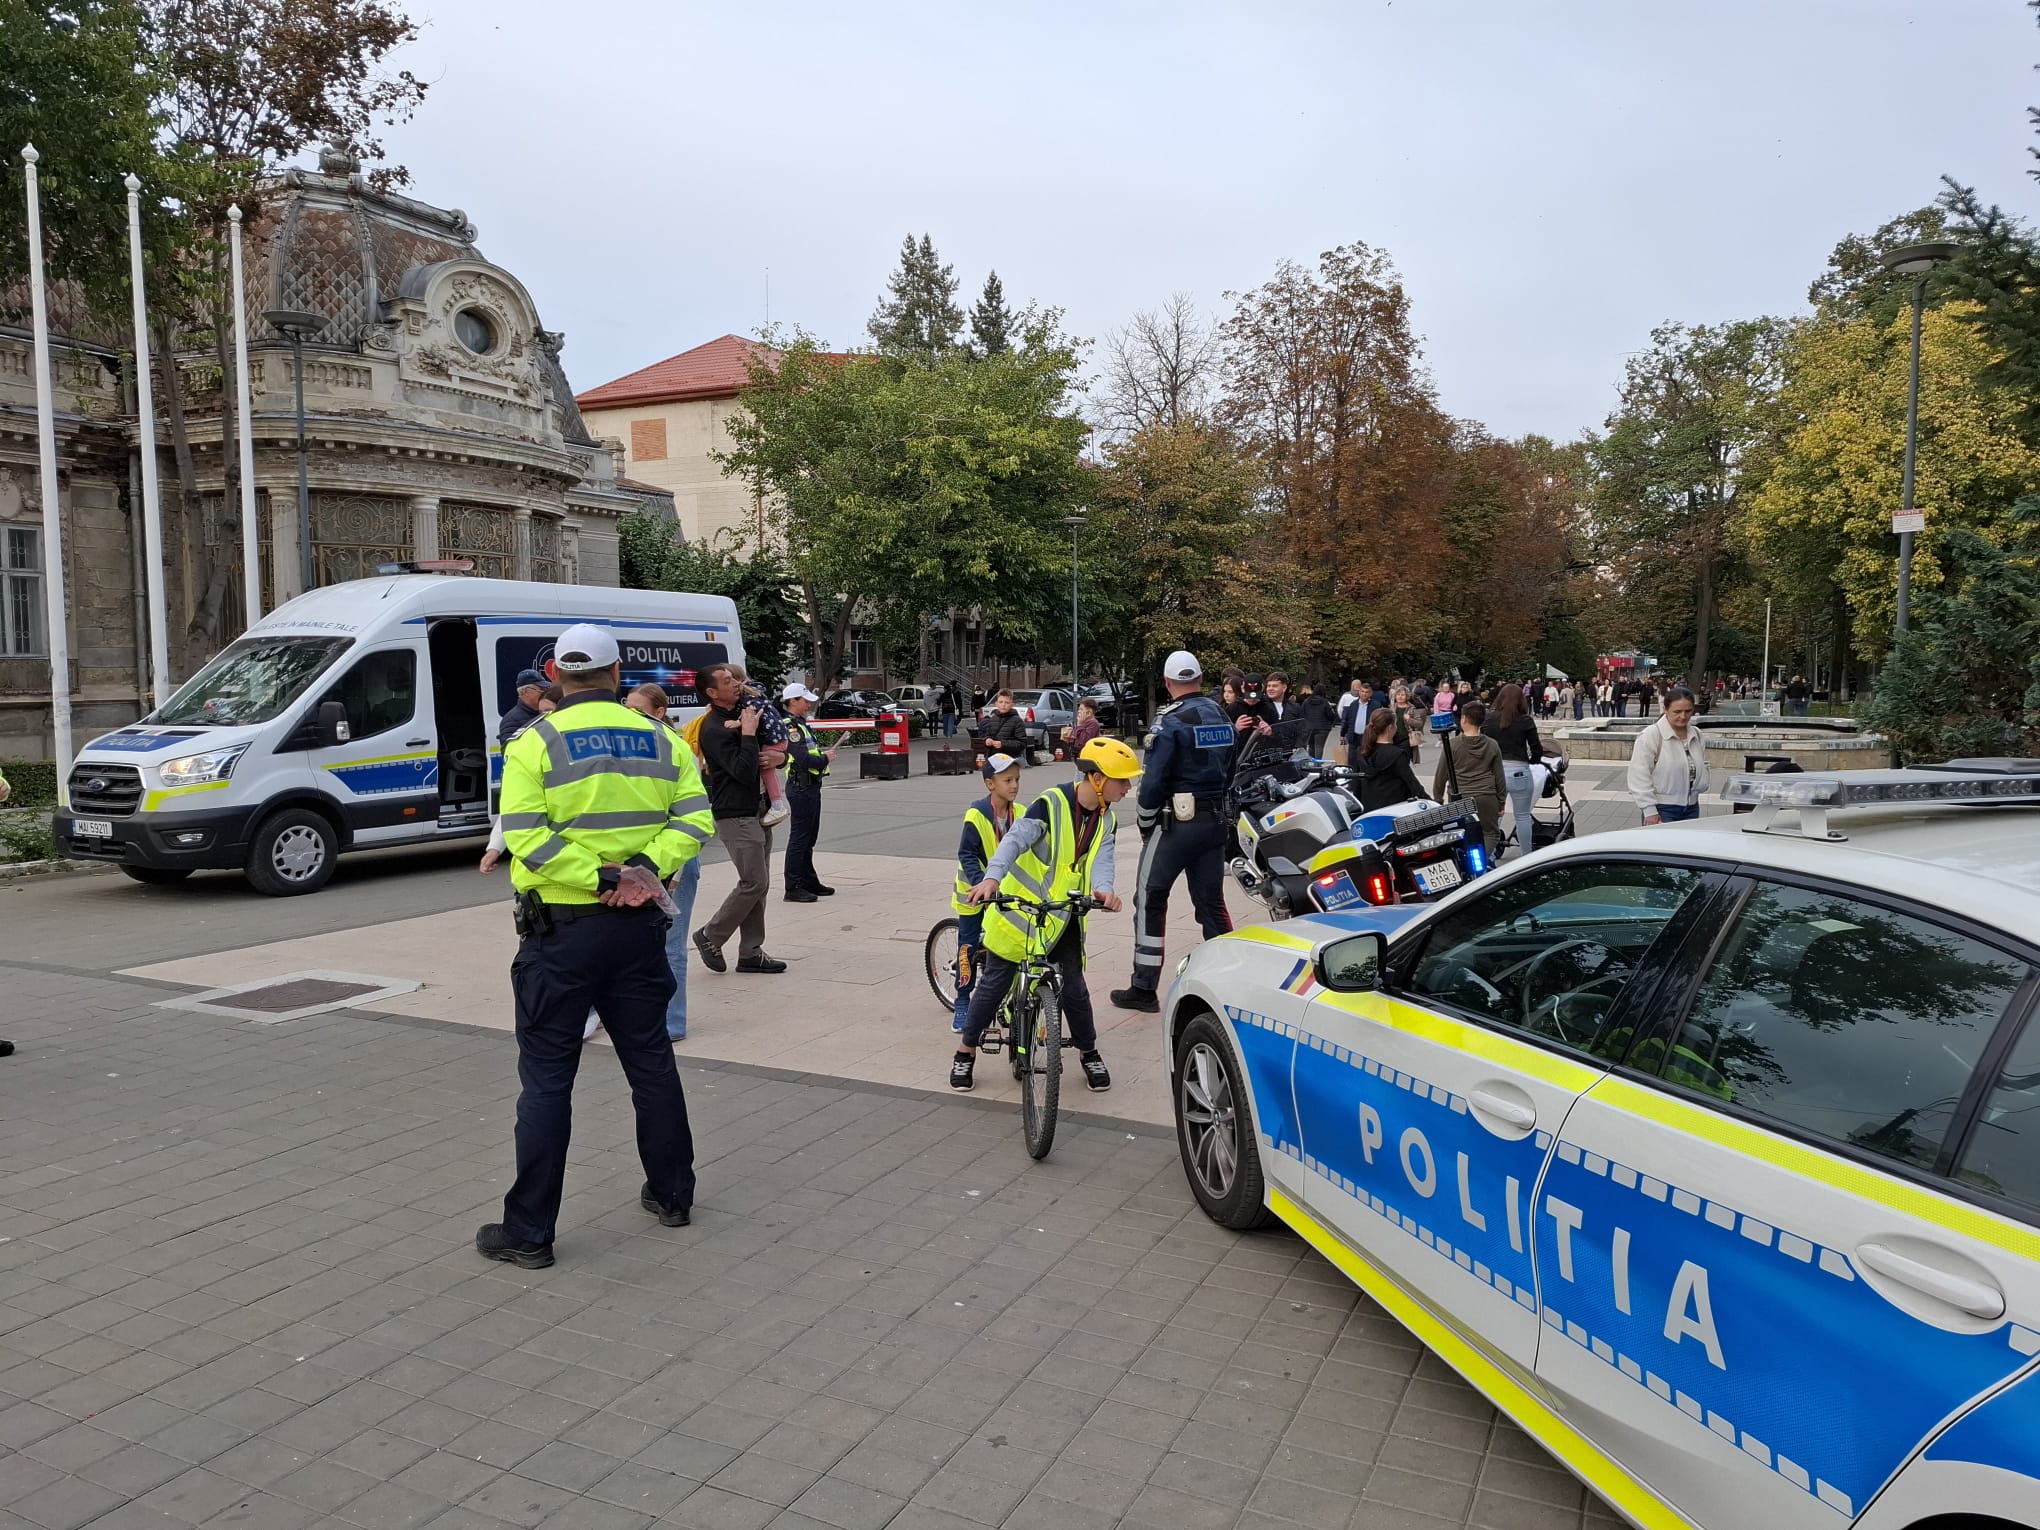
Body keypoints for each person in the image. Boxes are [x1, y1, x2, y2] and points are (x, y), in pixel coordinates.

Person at [475, 623, 714, 1269]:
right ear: (617, 673)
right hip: (638, 930)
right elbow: (695, 820)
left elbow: (525, 835)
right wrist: (642, 872)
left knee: (547, 1082)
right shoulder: (662, 737)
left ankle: (529, 1233)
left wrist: (600, 878)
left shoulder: (534, 741)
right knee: (651, 1062)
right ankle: (673, 1195)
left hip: (561, 932)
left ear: (556, 674)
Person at [952, 736, 1137, 1094]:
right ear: (1098, 779)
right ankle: (965, 1052)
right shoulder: (1050, 803)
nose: (1128, 787)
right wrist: (992, 878)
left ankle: (1089, 1052)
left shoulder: (1107, 818)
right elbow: (1014, 841)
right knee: (994, 984)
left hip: (1062, 918)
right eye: (1122, 780)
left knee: (1075, 989)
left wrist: (1104, 889)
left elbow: (1103, 858)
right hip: (1018, 913)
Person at [1111, 650, 1233, 1013]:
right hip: (1215, 822)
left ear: (1167, 682)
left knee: (1150, 898)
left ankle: (1143, 987)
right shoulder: (1222, 716)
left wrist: (1146, 823)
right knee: (1211, 902)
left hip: (1176, 824)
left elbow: (1152, 782)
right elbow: (1231, 769)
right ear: (1200, 678)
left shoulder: (1169, 722)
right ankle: (1231, 978)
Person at [692, 663, 786, 975]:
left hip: (758, 809)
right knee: (754, 882)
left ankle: (750, 952)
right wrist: (746, 733)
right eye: (726, 681)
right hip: (735, 813)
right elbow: (743, 772)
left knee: (759, 884)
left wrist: (780, 757)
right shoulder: (714, 728)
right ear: (711, 692)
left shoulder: (746, 710)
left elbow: (772, 747)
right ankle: (710, 936)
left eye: (734, 678)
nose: (735, 683)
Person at [949, 751, 1026, 1033]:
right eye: (1007, 780)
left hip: (1005, 893)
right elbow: (967, 854)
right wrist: (982, 883)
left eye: (1017, 779)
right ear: (990, 784)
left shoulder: (1022, 813)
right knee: (968, 948)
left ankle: (1008, 999)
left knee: (1010, 945)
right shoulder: (977, 814)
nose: (1014, 785)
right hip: (974, 894)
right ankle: (962, 1000)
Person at [780, 682, 838, 903]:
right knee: (800, 838)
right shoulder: (790, 727)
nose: (808, 705)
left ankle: (808, 880)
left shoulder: (800, 724)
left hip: (810, 785)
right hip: (801, 786)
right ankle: (793, 886)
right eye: (805, 701)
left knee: (809, 837)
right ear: (793, 701)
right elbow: (803, 759)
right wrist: (825, 759)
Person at [1434, 700, 1507, 860]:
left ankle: (1466, 863)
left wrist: (1438, 800)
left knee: (1460, 833)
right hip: (1486, 795)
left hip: (1460, 796)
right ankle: (1482, 862)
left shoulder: (1452, 745)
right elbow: (1499, 777)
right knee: (1490, 833)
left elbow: (1441, 775)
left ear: (1464, 719)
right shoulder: (1492, 745)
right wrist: (1501, 802)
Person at [1628, 685, 1710, 824]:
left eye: (1688, 711)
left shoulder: (1696, 734)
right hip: (1662, 808)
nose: (1683, 716)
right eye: (1677, 711)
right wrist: (1649, 810)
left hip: (1691, 807)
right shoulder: (1651, 735)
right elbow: (1639, 775)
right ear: (1666, 709)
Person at [1482, 682, 1544, 859]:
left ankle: (1489, 856)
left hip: (1495, 772)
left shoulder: (1489, 719)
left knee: (1494, 816)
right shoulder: (1525, 720)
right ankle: (1526, 856)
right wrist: (1534, 760)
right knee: (1523, 816)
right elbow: (1536, 748)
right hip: (1519, 771)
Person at [1353, 708, 1423, 811]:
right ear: (1391, 728)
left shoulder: (1362, 751)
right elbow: (1412, 785)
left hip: (1368, 809)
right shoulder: (1396, 754)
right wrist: (1433, 804)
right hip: (1393, 810)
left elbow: (1357, 785)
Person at [976, 689, 1029, 763]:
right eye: (1001, 702)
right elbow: (987, 735)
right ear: (996, 704)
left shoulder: (1017, 721)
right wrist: (987, 740)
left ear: (1012, 705)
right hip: (993, 759)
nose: (1003, 705)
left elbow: (1022, 744)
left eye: (1007, 702)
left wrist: (1002, 744)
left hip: (1010, 760)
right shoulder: (993, 719)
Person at [497, 668, 548, 744]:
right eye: (541, 689)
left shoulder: (543, 712)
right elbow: (510, 748)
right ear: (526, 691)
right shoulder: (511, 721)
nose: (545, 692)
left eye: (546, 688)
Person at [1297, 682, 1338, 758]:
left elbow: (1302, 714)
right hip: (1323, 728)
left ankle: (1312, 762)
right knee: (1319, 747)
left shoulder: (1307, 701)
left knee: (1311, 747)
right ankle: (1318, 763)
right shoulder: (1325, 702)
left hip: (1309, 727)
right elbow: (1330, 715)